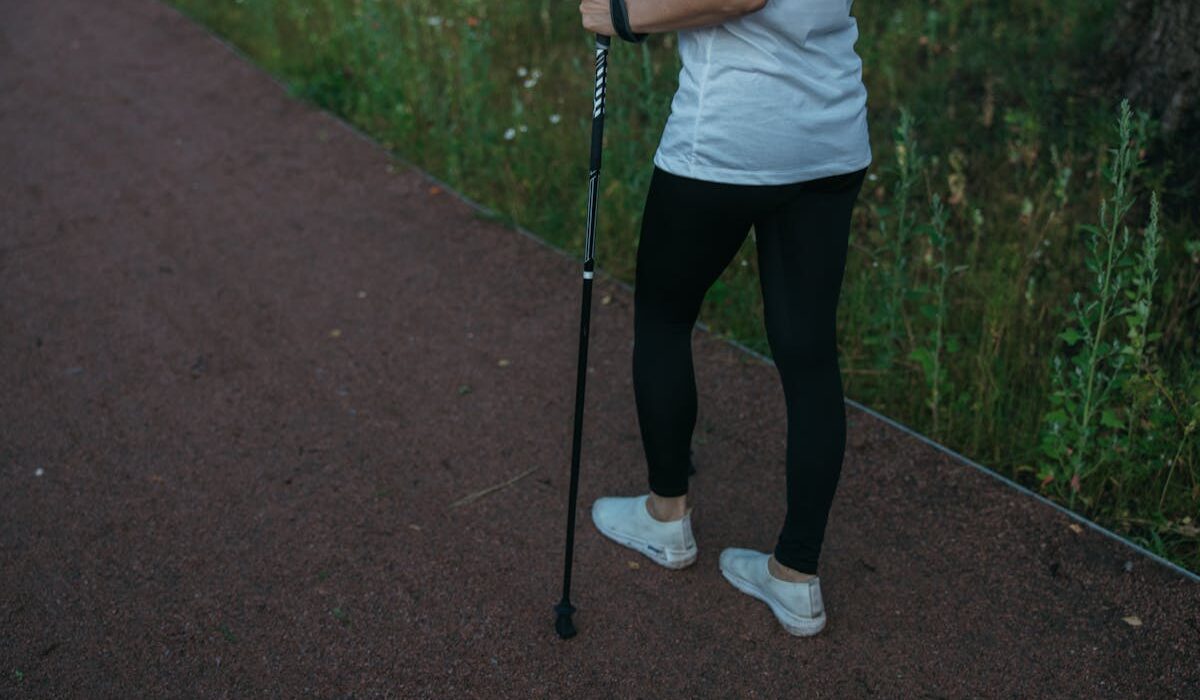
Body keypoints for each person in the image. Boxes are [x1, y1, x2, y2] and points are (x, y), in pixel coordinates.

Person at [580, 0, 871, 636]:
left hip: (731, 135)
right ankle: (795, 576)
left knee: (663, 317)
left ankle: (666, 518)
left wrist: (623, 16)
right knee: (810, 354)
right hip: (831, 133)